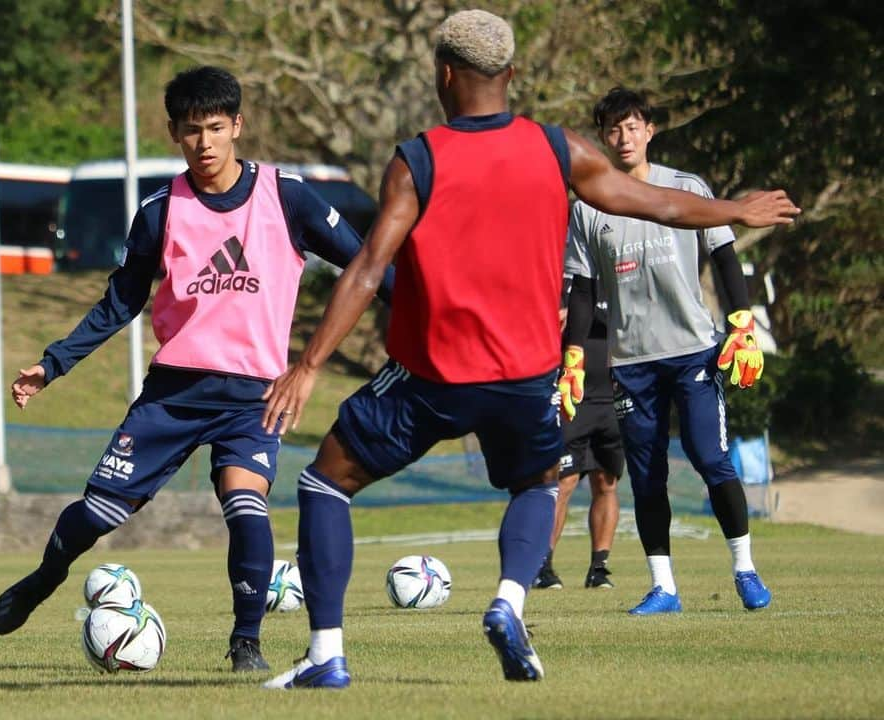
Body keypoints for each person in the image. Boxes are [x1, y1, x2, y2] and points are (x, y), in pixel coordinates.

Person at [258, 10, 798, 689]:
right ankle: (508, 601)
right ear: (510, 76)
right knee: (539, 482)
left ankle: (327, 655)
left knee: (323, 481)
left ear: (443, 75)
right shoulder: (558, 148)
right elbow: (653, 203)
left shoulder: (418, 158)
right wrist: (735, 209)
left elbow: (368, 268)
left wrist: (307, 366)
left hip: (433, 373)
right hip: (524, 374)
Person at [0, 66, 392, 673]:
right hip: (173, 394)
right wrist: (53, 364)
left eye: (216, 128)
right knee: (97, 514)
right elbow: (121, 301)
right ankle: (45, 577)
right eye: (191, 131)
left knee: (246, 504)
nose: (204, 143)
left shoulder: (288, 197)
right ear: (174, 132)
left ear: (238, 126)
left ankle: (246, 642)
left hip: (254, 396)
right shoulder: (159, 211)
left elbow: (369, 268)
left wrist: (426, 315)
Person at [562, 87, 774, 616]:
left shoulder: (686, 187)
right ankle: (664, 588)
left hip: (693, 352)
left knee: (710, 458)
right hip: (631, 363)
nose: (623, 137)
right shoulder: (588, 206)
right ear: (602, 138)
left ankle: (745, 570)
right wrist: (572, 361)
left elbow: (724, 256)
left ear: (650, 131)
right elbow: (583, 292)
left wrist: (741, 323)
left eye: (632, 126)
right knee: (648, 476)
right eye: (612, 129)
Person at [533, 295, 623, 591]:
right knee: (564, 481)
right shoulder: (563, 281)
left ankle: (599, 568)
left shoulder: (615, 280)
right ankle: (542, 566)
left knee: (606, 482)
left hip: (610, 396)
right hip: (571, 394)